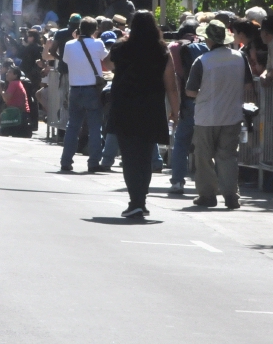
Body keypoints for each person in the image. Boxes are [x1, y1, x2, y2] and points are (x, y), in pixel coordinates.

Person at [105, 11, 181, 218]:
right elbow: (171, 86)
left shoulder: (121, 47)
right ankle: (141, 200)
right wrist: (176, 110)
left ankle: (135, 201)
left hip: (125, 108)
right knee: (145, 156)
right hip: (151, 109)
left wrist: (122, 39)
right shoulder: (161, 51)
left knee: (129, 157)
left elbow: (105, 64)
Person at [185, 20, 255, 209]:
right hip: (232, 115)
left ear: (208, 39)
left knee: (204, 157)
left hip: (206, 116)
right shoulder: (240, 58)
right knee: (228, 157)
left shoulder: (202, 61)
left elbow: (190, 91)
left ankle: (207, 196)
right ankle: (231, 196)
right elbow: (248, 85)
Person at [58, 16, 111, 173]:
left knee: (73, 126)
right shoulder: (98, 43)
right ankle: (93, 162)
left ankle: (66, 161)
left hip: (75, 88)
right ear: (95, 30)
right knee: (95, 127)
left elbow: (67, 60)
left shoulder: (69, 44)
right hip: (92, 89)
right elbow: (105, 58)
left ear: (79, 29)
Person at [167, 21, 207, 195]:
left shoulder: (175, 47)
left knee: (181, 141)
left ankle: (177, 181)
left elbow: (174, 77)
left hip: (187, 99)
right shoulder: (207, 46)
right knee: (208, 144)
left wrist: (175, 108)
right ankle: (208, 182)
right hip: (207, 100)